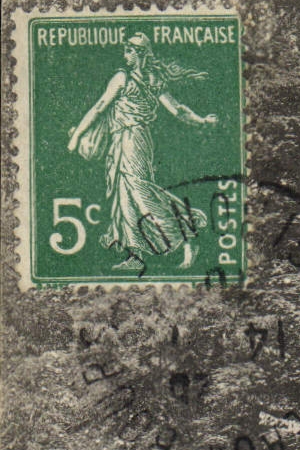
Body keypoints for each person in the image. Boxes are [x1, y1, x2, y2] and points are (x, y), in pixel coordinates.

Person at [66, 33, 218, 271]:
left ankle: (188, 234)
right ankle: (136, 255)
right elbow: (178, 110)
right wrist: (202, 120)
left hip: (131, 140)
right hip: (125, 140)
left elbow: (99, 107)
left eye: (128, 51)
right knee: (124, 196)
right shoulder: (151, 79)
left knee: (139, 192)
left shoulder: (124, 78)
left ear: (139, 54)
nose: (125, 56)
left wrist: (76, 136)